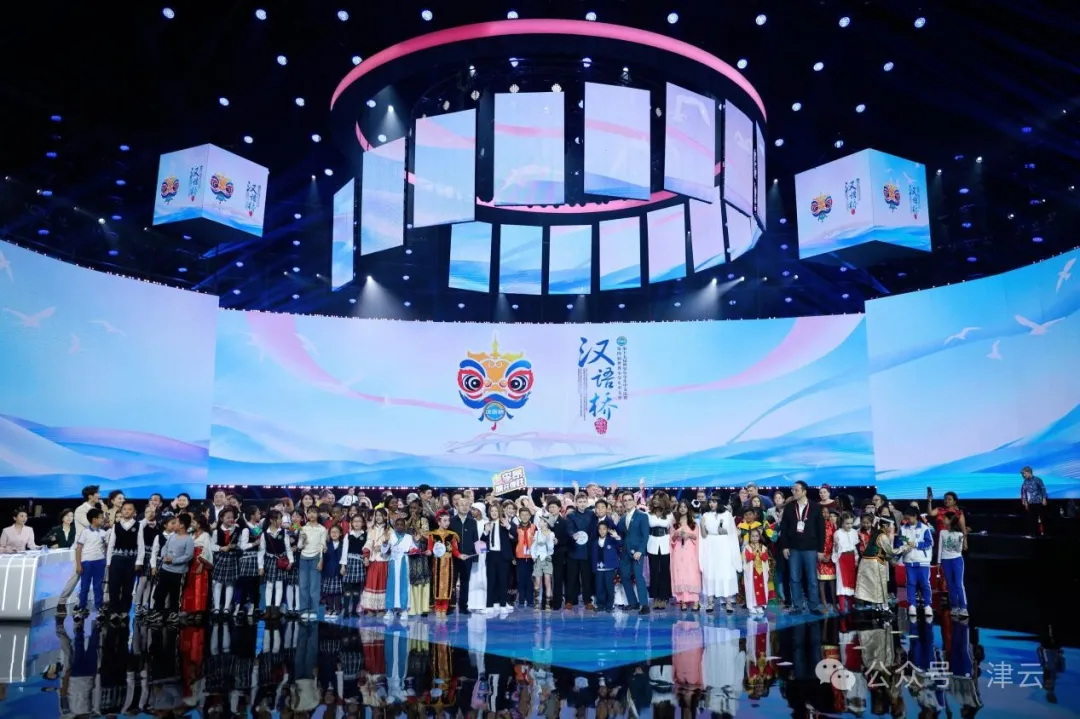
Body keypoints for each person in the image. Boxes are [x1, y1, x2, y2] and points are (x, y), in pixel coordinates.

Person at [777, 480, 825, 614]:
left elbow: (821, 530)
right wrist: (785, 546)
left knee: (812, 579)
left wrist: (820, 550)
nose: (794, 492)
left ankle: (813, 606)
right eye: (792, 490)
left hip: (811, 548)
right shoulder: (789, 507)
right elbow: (784, 528)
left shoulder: (815, 507)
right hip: (794, 548)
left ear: (804, 491)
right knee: (794, 578)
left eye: (796, 490)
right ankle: (797, 606)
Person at [699, 494, 741, 612]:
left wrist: (725, 531)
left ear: (719, 502)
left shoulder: (727, 515)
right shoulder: (706, 515)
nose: (711, 504)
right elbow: (703, 535)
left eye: (714, 501)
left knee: (725, 571)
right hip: (710, 545)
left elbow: (733, 533)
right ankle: (710, 603)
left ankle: (728, 603)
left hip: (724, 545)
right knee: (710, 571)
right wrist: (701, 524)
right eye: (710, 501)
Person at [153, 513, 194, 625]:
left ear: (182, 525)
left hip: (178, 572)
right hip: (165, 569)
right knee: (160, 592)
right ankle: (158, 612)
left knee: (175, 594)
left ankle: (174, 614)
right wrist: (164, 556)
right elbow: (165, 547)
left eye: (176, 522)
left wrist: (173, 560)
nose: (174, 525)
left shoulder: (188, 540)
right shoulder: (172, 536)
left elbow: (188, 556)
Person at [896, 506, 935, 617]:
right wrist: (902, 548)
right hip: (909, 561)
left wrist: (916, 544)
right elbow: (900, 543)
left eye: (909, 518)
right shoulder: (903, 529)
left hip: (923, 561)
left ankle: (927, 605)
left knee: (925, 584)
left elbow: (930, 543)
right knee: (910, 583)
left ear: (915, 516)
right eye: (906, 519)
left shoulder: (924, 528)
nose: (907, 521)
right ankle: (912, 605)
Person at [617, 491, 650, 615]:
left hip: (637, 552)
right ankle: (633, 603)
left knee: (638, 576)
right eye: (625, 500)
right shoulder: (622, 519)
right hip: (625, 552)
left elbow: (645, 536)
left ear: (634, 501)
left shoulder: (642, 516)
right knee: (624, 576)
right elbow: (621, 534)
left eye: (629, 500)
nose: (627, 502)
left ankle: (644, 604)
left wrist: (640, 551)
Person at [104, 500, 139, 621]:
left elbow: (141, 545)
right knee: (114, 586)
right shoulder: (116, 526)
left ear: (134, 512)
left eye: (130, 509)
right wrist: (109, 562)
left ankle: (124, 610)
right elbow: (111, 545)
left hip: (131, 559)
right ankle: (114, 611)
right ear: (121, 511)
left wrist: (139, 561)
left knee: (128, 587)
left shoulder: (138, 525)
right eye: (124, 509)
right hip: (117, 559)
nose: (127, 511)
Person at [855, 515, 895, 613]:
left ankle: (881, 605)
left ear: (872, 522)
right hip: (866, 560)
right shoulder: (858, 532)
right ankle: (873, 604)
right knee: (870, 582)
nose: (865, 525)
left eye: (868, 523)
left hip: (879, 560)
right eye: (863, 523)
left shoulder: (876, 532)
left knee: (880, 582)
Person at [258, 510, 293, 619]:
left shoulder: (284, 532)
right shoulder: (264, 534)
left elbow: (288, 548)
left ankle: (276, 609)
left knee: (279, 585)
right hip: (269, 561)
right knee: (269, 585)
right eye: (278, 518)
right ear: (271, 520)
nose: (280, 520)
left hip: (281, 561)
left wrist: (291, 561)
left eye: (280, 518)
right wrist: (260, 566)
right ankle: (268, 609)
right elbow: (261, 551)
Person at [428, 509, 463, 617]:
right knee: (437, 585)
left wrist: (460, 555)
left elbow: (455, 550)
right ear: (439, 522)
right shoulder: (432, 535)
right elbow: (430, 549)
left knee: (447, 586)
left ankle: (444, 608)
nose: (447, 523)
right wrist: (427, 552)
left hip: (448, 565)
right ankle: (438, 608)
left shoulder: (452, 535)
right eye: (445, 520)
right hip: (437, 564)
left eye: (448, 520)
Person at [482, 503, 516, 612]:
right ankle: (489, 605)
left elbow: (515, 536)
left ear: (499, 512)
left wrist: (508, 526)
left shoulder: (504, 523)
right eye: (492, 511)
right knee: (491, 581)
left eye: (496, 511)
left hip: (503, 556)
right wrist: (485, 532)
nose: (494, 513)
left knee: (503, 581)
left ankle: (503, 604)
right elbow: (482, 542)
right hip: (491, 556)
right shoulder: (487, 524)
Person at [74, 508, 107, 619]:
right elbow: (78, 549)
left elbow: (106, 548)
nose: (103, 519)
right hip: (87, 562)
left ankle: (99, 608)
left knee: (98, 587)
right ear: (94, 519)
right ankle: (81, 608)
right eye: (101, 518)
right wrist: (78, 564)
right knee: (84, 587)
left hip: (100, 562)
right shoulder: (85, 532)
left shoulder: (104, 533)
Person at [449, 496, 480, 615]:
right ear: (456, 506)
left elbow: (475, 539)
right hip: (453, 557)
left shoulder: (472, 522)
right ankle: (450, 606)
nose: (464, 507)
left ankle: (463, 606)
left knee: (465, 582)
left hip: (468, 557)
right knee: (451, 582)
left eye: (467, 505)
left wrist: (475, 557)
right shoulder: (451, 521)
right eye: (461, 505)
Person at [668, 499, 701, 611]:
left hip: (690, 552)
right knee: (680, 574)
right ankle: (683, 601)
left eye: (684, 507)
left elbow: (697, 538)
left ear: (688, 509)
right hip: (678, 551)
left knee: (691, 574)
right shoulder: (674, 524)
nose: (682, 509)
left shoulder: (693, 524)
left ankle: (696, 601)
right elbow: (671, 540)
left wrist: (689, 535)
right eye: (680, 507)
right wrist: (676, 534)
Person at [297, 507, 328, 621]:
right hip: (303, 558)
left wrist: (321, 560)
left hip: (316, 557)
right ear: (306, 514)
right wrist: (303, 540)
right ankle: (304, 609)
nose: (312, 515)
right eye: (309, 512)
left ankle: (314, 610)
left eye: (314, 512)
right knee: (303, 585)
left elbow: (322, 545)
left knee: (314, 586)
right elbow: (299, 546)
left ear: (318, 514)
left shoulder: (322, 529)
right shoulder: (303, 528)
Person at [564, 493, 595, 609]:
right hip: (574, 550)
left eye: (584, 502)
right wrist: (573, 535)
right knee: (572, 577)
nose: (582, 504)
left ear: (587, 502)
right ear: (576, 503)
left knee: (587, 578)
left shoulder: (592, 514)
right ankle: (569, 601)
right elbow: (569, 530)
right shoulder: (570, 515)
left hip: (587, 551)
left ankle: (588, 601)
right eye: (580, 502)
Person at [181, 515, 214, 621]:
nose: (191, 524)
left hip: (200, 562)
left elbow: (207, 550)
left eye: (193, 522)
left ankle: (199, 610)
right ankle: (191, 609)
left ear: (199, 525)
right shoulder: (191, 534)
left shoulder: (205, 535)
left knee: (199, 587)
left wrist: (201, 564)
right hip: (190, 562)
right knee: (190, 586)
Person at [211, 507, 241, 618]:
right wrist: (221, 548)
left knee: (230, 583)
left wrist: (235, 546)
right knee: (218, 583)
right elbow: (212, 546)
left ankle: (227, 607)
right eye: (228, 517)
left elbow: (241, 544)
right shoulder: (216, 531)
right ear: (221, 518)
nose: (230, 519)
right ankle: (217, 607)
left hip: (232, 557)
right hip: (220, 557)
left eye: (232, 517)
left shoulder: (237, 530)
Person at [360, 509, 391, 615]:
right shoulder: (371, 529)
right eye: (376, 515)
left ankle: (381, 609)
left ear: (385, 517)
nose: (378, 517)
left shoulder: (389, 530)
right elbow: (368, 543)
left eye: (380, 515)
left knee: (382, 583)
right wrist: (366, 556)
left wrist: (382, 548)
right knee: (371, 582)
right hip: (373, 559)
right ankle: (370, 608)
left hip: (383, 560)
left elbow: (392, 544)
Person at [385, 517, 417, 620]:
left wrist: (413, 548)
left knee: (404, 585)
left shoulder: (409, 537)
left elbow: (414, 549)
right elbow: (384, 550)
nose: (399, 526)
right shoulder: (391, 536)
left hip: (404, 562)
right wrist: (385, 542)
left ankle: (404, 610)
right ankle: (390, 609)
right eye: (397, 524)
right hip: (393, 563)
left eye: (401, 524)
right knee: (391, 585)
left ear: (405, 526)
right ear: (394, 526)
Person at [938, 514, 969, 618]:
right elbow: (940, 548)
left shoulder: (959, 534)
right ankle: (954, 606)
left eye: (945, 518)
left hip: (957, 560)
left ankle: (963, 607)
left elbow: (958, 550)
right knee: (950, 584)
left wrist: (961, 539)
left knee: (959, 584)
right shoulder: (942, 532)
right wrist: (938, 562)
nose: (943, 519)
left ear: (950, 520)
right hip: (945, 560)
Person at [646, 494, 673, 611]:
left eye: (658, 499)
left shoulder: (669, 514)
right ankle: (655, 597)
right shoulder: (648, 514)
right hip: (652, 543)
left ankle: (664, 597)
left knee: (664, 571)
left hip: (665, 543)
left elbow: (672, 529)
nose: (656, 501)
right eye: (654, 499)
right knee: (654, 571)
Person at [339, 514, 367, 618]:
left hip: (359, 563)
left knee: (356, 589)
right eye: (355, 521)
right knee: (347, 588)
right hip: (349, 563)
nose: (357, 523)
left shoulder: (366, 535)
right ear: (351, 523)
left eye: (359, 521)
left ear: (362, 523)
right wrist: (343, 565)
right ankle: (346, 611)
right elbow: (344, 551)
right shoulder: (348, 535)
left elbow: (366, 550)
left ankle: (354, 611)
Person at [832, 512, 859, 613]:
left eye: (851, 523)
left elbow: (856, 548)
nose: (849, 525)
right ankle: (842, 608)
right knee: (841, 583)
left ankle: (850, 606)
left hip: (852, 559)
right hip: (842, 559)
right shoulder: (837, 533)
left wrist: (856, 559)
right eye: (847, 523)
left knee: (851, 582)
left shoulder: (854, 532)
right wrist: (836, 545)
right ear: (842, 523)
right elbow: (835, 549)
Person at [591, 521, 621, 612]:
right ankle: (600, 605)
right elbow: (593, 556)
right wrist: (593, 568)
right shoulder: (594, 542)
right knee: (599, 587)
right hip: (598, 569)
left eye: (604, 529)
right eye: (600, 529)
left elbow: (621, 544)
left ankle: (609, 605)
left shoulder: (612, 540)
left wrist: (617, 537)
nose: (602, 531)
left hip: (609, 568)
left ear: (607, 530)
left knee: (609, 587)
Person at [407, 514, 432, 616]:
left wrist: (417, 528)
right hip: (411, 557)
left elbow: (427, 538)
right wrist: (410, 522)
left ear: (419, 509)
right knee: (413, 580)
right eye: (411, 508)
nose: (413, 511)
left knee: (423, 580)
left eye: (415, 508)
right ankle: (413, 608)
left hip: (422, 555)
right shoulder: (407, 521)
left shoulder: (424, 521)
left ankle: (424, 608)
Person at [742, 527, 771, 616]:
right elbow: (748, 558)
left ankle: (760, 605)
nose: (755, 538)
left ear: (759, 537)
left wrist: (761, 553)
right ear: (750, 537)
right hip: (752, 571)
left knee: (761, 588)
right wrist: (754, 552)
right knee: (751, 588)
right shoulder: (747, 547)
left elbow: (765, 558)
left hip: (761, 572)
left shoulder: (763, 547)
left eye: (757, 536)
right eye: (753, 536)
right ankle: (752, 606)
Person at [531, 510, 555, 610]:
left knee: (547, 581)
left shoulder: (551, 534)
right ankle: (537, 603)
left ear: (546, 523)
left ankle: (548, 604)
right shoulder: (537, 533)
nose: (539, 522)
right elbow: (533, 546)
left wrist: (548, 537)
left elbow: (551, 549)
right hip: (538, 559)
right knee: (537, 582)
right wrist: (534, 556)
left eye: (541, 521)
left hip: (547, 559)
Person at [467, 502, 489, 612]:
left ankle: (483, 602)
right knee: (473, 577)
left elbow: (485, 540)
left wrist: (481, 552)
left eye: (474, 510)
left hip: (483, 554)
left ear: (480, 511)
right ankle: (472, 603)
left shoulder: (486, 522)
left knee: (482, 576)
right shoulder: (471, 522)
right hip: (473, 553)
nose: (472, 512)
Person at [513, 506, 537, 608]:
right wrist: (513, 557)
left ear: (530, 516)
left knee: (530, 579)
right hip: (520, 557)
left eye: (527, 514)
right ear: (519, 516)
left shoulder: (534, 527)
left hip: (532, 557)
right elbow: (513, 543)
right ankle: (521, 600)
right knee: (521, 579)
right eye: (522, 515)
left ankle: (530, 600)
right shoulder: (515, 528)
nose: (525, 516)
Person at [322, 524, 345, 619]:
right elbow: (324, 559)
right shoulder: (327, 545)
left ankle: (337, 609)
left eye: (336, 532)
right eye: (332, 532)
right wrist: (324, 552)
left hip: (338, 570)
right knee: (329, 592)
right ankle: (330, 608)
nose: (334, 534)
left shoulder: (343, 545)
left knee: (337, 592)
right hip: (328, 570)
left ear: (340, 534)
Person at [818, 508, 838, 613]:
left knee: (832, 581)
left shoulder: (833, 525)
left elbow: (835, 542)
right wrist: (819, 554)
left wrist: (831, 555)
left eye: (827, 512)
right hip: (820, 555)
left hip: (831, 555)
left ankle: (834, 603)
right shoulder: (816, 524)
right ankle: (824, 604)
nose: (825, 514)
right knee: (821, 581)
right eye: (823, 512)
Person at [1020, 466, 1048, 538]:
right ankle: (1033, 534)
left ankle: (1044, 534)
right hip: (1031, 503)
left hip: (1039, 502)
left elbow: (1043, 489)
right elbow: (1024, 491)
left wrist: (1044, 498)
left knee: (1042, 518)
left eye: (1025, 473)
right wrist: (1025, 501)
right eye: (1023, 474)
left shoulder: (1038, 480)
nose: (1024, 475)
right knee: (1032, 519)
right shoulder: (1025, 481)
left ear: (1029, 472)